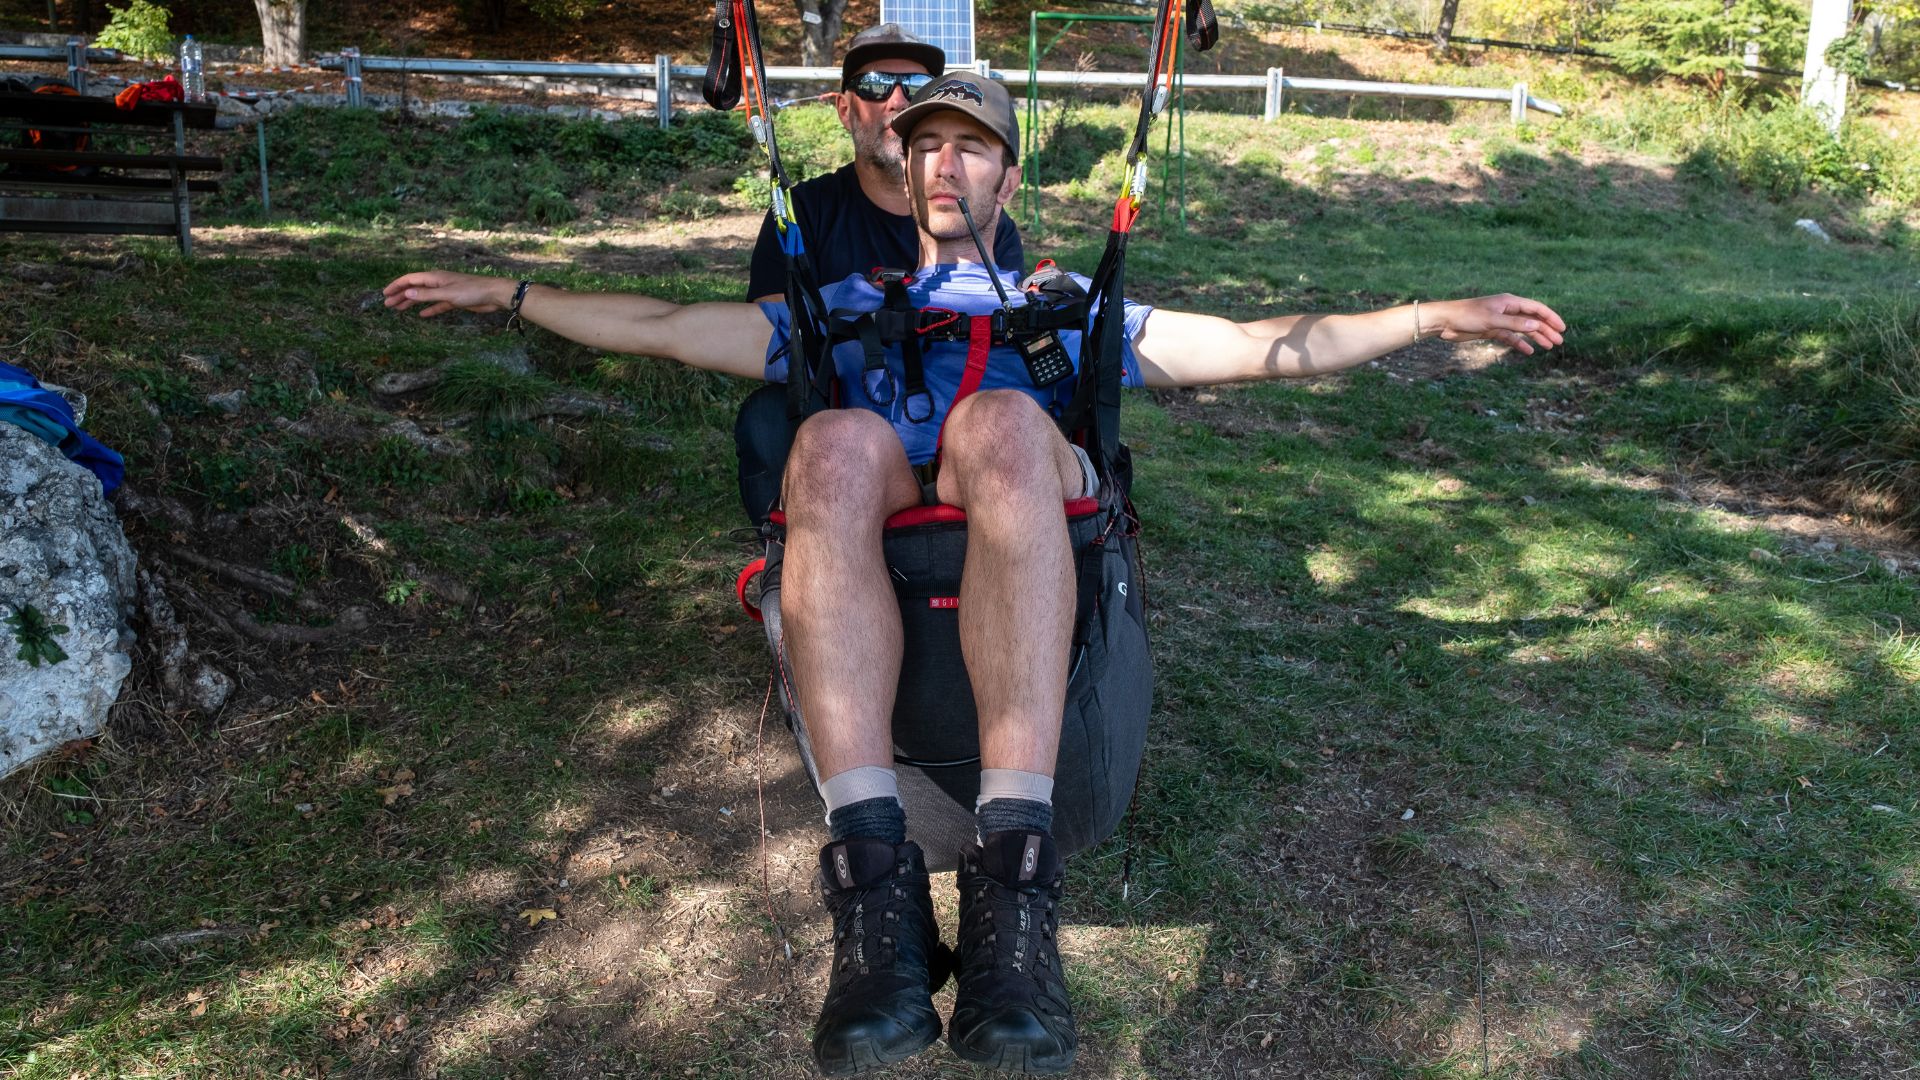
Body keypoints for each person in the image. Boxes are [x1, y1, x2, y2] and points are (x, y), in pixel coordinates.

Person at [383, 72, 1565, 1077]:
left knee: (999, 422)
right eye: (926, 145)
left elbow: (1263, 347)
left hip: (1024, 494)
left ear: (1008, 180)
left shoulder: (1076, 311)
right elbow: (657, 320)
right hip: (888, 522)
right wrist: (511, 293)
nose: (946, 165)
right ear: (899, 171)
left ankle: (1015, 888)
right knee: (829, 441)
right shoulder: (840, 308)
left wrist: (1427, 317)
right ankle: (878, 902)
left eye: (973, 147)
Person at [745, 22, 1023, 304]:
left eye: (918, 86)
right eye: (874, 85)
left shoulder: (981, 220)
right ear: (844, 109)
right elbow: (772, 331)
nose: (898, 101)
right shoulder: (801, 213)